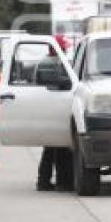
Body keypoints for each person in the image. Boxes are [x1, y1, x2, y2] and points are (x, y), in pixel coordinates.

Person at [36, 38, 73, 192]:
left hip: (48, 108)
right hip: (56, 108)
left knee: (50, 149)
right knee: (61, 148)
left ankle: (43, 181)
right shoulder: (56, 64)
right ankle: (63, 182)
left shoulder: (45, 62)